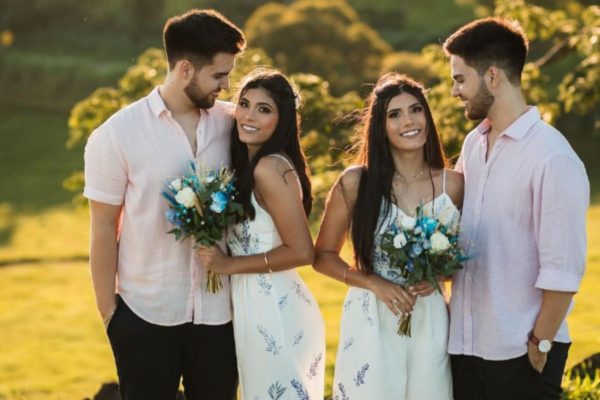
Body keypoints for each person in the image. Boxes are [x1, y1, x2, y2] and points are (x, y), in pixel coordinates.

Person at [83, 9, 245, 400]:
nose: (227, 86)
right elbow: (104, 227)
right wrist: (112, 317)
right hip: (144, 315)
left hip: (220, 315)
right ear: (186, 69)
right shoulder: (117, 135)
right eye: (219, 76)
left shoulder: (233, 125)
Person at [444, 17, 590, 400]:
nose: (454, 92)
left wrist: (540, 345)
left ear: (492, 77)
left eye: (460, 80)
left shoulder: (552, 157)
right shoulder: (473, 146)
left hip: (521, 352)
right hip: (465, 348)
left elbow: (563, 270)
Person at [313, 72, 463, 399]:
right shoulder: (356, 183)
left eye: (416, 109)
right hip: (372, 317)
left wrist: (437, 274)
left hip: (429, 318)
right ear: (380, 127)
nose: (409, 120)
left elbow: (463, 262)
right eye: (394, 114)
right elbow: (322, 256)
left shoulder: (455, 184)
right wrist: (373, 282)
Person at [197, 68, 325, 400]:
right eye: (244, 104)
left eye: (264, 109)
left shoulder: (270, 169)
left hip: (274, 306)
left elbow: (302, 252)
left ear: (281, 121)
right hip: (250, 303)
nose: (248, 116)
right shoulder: (248, 167)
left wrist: (227, 265)